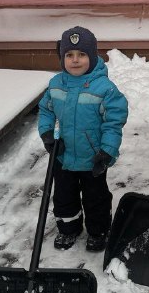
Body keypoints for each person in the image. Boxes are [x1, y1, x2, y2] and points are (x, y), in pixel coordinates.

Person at [38, 26, 128, 252]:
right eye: (69, 55)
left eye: (81, 55)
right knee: (63, 196)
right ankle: (69, 228)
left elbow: (113, 121)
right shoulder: (56, 84)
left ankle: (98, 231)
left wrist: (107, 151)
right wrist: (47, 133)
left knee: (95, 197)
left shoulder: (104, 88)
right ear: (62, 58)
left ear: (93, 56)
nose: (75, 60)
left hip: (93, 157)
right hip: (63, 155)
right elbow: (46, 110)